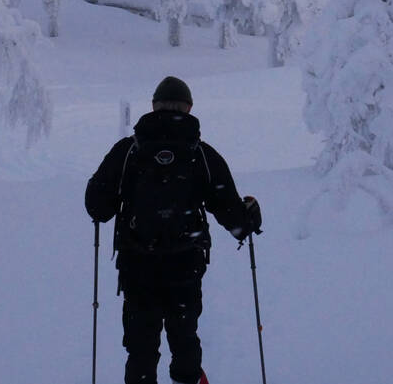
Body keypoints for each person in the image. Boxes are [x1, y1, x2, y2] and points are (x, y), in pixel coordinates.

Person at [85, 76, 262, 384]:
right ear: (189, 109)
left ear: (154, 107)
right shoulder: (202, 154)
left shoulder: (128, 151)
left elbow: (98, 207)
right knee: (184, 338)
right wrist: (249, 216)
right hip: (185, 266)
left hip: (137, 266)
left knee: (141, 346)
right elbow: (234, 219)